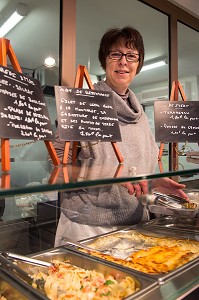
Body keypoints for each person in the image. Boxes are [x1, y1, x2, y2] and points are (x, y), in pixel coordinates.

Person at [53, 26, 188, 245]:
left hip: (134, 223)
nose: (123, 61)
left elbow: (139, 169)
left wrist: (154, 182)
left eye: (131, 56)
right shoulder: (85, 103)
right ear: (104, 60)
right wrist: (112, 174)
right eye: (115, 54)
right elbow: (58, 164)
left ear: (138, 64)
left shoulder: (140, 114)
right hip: (87, 226)